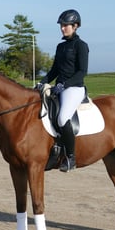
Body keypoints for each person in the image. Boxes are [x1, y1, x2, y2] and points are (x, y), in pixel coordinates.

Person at [36, 9, 89, 172]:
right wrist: (42, 82)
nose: (62, 28)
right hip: (59, 87)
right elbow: (54, 71)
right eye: (61, 25)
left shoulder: (81, 46)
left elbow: (82, 71)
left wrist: (64, 85)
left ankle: (71, 157)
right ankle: (53, 150)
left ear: (75, 26)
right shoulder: (60, 47)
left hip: (74, 88)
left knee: (62, 118)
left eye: (66, 25)